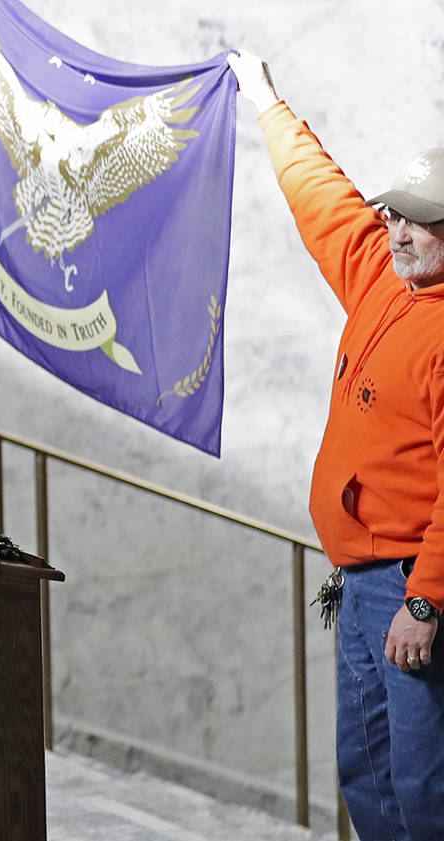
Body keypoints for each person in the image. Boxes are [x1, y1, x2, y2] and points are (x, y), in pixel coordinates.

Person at [230, 51, 444, 839]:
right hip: (362, 582)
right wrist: (266, 101)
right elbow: (323, 198)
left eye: (419, 217)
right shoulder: (385, 276)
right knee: (369, 773)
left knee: (425, 786)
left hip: (412, 589)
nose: (397, 228)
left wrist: (425, 599)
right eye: (395, 212)